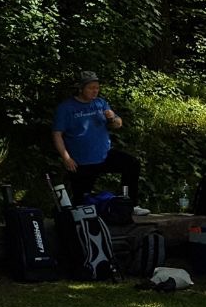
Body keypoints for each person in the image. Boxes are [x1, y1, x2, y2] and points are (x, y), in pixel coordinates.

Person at [52, 70, 147, 212]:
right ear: (80, 88)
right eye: (91, 88)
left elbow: (118, 124)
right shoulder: (66, 108)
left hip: (104, 155)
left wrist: (112, 118)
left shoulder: (100, 103)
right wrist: (66, 157)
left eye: (97, 87)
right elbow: (57, 134)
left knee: (132, 164)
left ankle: (130, 204)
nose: (95, 91)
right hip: (81, 161)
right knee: (81, 202)